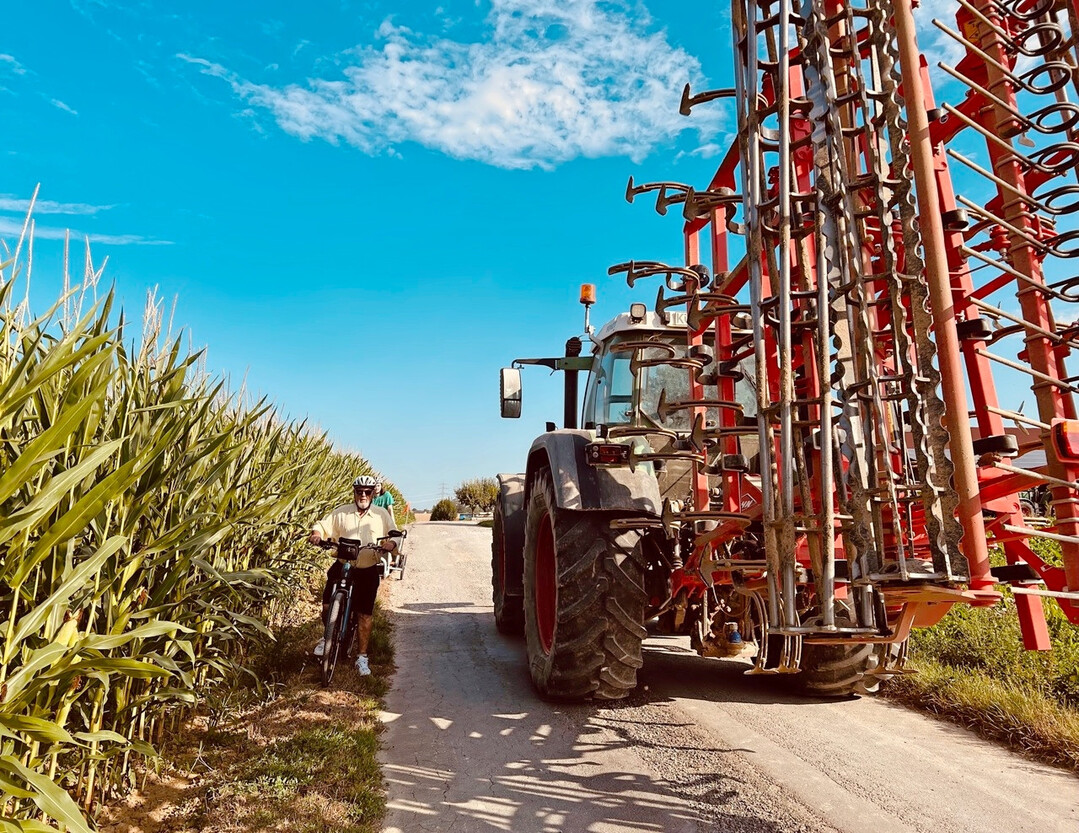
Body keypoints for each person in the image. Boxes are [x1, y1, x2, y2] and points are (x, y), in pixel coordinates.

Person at [309, 474, 398, 675]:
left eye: (367, 492)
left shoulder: (381, 514)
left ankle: (362, 657)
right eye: (360, 492)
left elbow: (394, 533)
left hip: (367, 569)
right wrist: (316, 534)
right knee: (326, 605)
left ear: (373, 493)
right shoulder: (342, 512)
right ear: (354, 492)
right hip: (342, 565)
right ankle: (327, 637)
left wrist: (391, 544)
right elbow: (322, 525)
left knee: (364, 614)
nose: (363, 495)